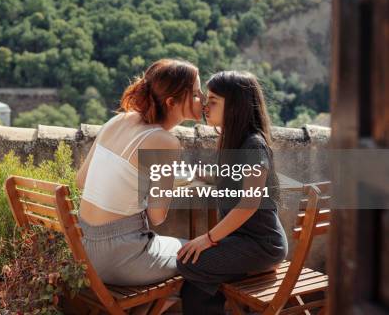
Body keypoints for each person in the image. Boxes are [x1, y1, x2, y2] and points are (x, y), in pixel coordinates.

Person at [76, 58, 204, 287]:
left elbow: (81, 180)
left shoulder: (118, 120)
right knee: (201, 254)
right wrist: (165, 184)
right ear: (172, 102)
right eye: (195, 94)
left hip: (84, 252)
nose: (202, 99)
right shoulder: (165, 142)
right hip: (122, 255)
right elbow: (157, 217)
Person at [176, 70, 288, 314]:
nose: (205, 105)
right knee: (194, 283)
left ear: (236, 105)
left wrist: (207, 239)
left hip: (263, 245)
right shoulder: (235, 142)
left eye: (213, 101)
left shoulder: (253, 145)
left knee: (188, 262)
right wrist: (201, 174)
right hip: (243, 241)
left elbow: (248, 203)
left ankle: (254, 268)